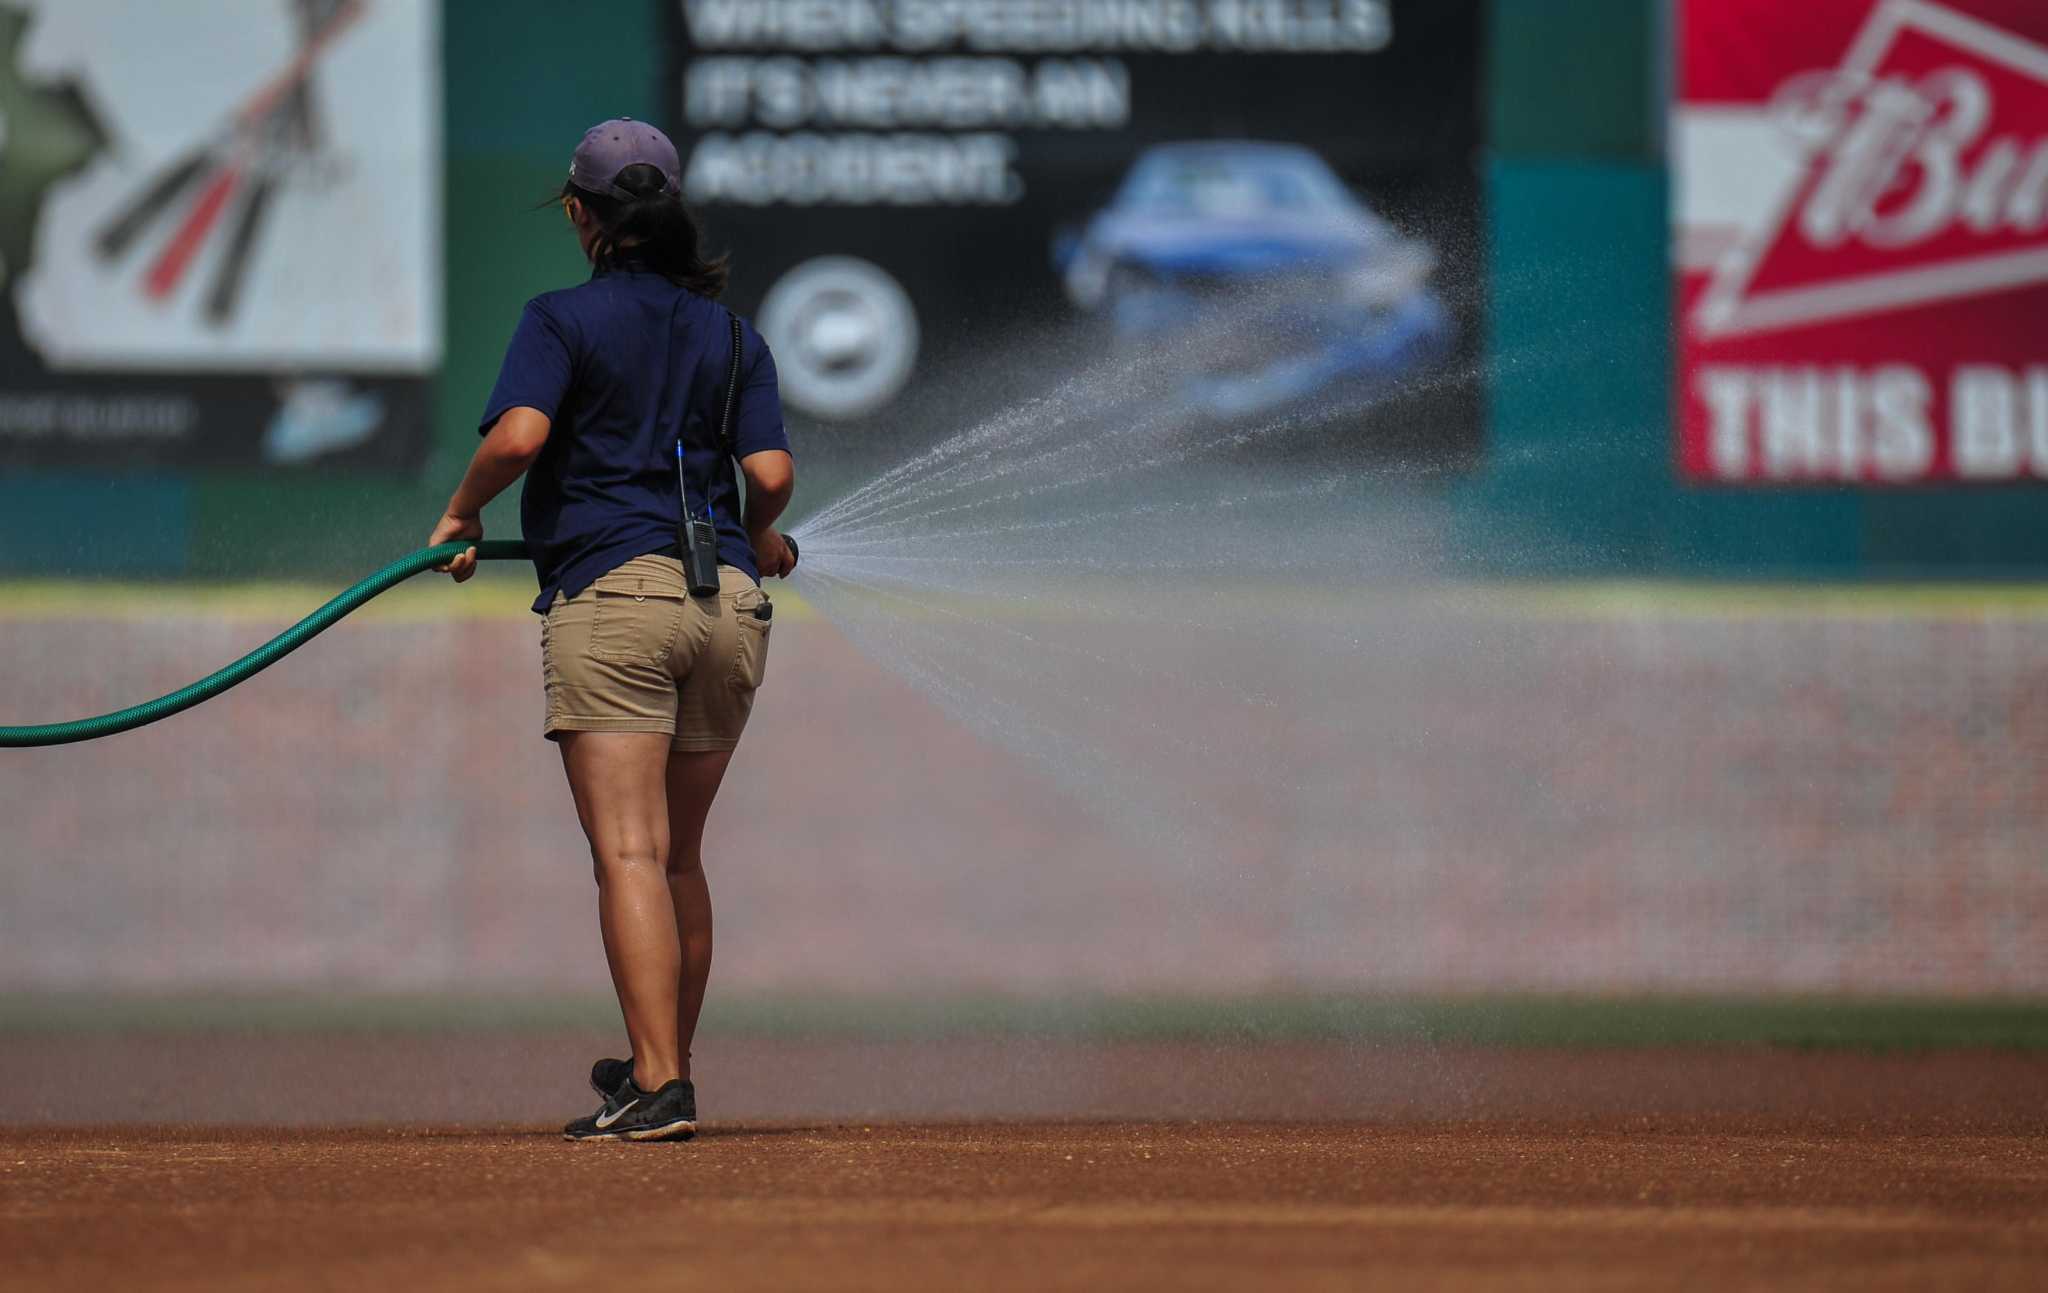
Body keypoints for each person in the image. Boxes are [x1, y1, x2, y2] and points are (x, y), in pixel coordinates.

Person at [427, 119, 795, 1143]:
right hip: (727, 608)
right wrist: (760, 536)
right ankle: (657, 1069)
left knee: (628, 853)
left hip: (615, 602)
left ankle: (660, 1082)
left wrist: (462, 513)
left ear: (581, 214)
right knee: (679, 858)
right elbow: (767, 477)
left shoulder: (561, 319)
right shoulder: (733, 337)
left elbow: (521, 435)